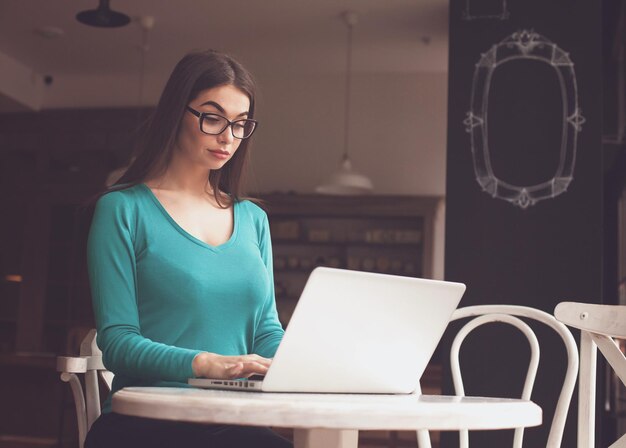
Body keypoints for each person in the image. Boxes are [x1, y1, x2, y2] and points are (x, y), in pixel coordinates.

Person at [85, 49, 292, 448]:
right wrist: (204, 363)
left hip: (235, 421)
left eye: (240, 124)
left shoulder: (253, 219)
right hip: (147, 421)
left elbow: (266, 329)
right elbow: (119, 342)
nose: (227, 137)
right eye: (213, 118)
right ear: (177, 113)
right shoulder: (122, 210)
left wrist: (296, 362)